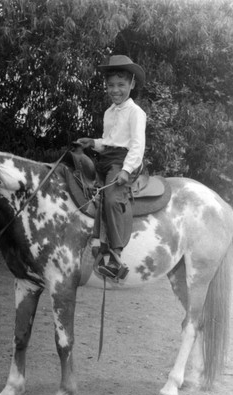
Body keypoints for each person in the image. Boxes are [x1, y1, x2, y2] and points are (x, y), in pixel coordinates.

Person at [77, 55, 146, 279]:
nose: (115, 90)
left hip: (125, 161)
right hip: (106, 159)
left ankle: (115, 256)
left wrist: (126, 170)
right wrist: (92, 143)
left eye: (121, 85)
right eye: (111, 85)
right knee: (80, 186)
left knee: (112, 198)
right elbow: (110, 141)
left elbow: (136, 145)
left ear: (132, 85)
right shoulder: (109, 112)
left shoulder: (136, 112)